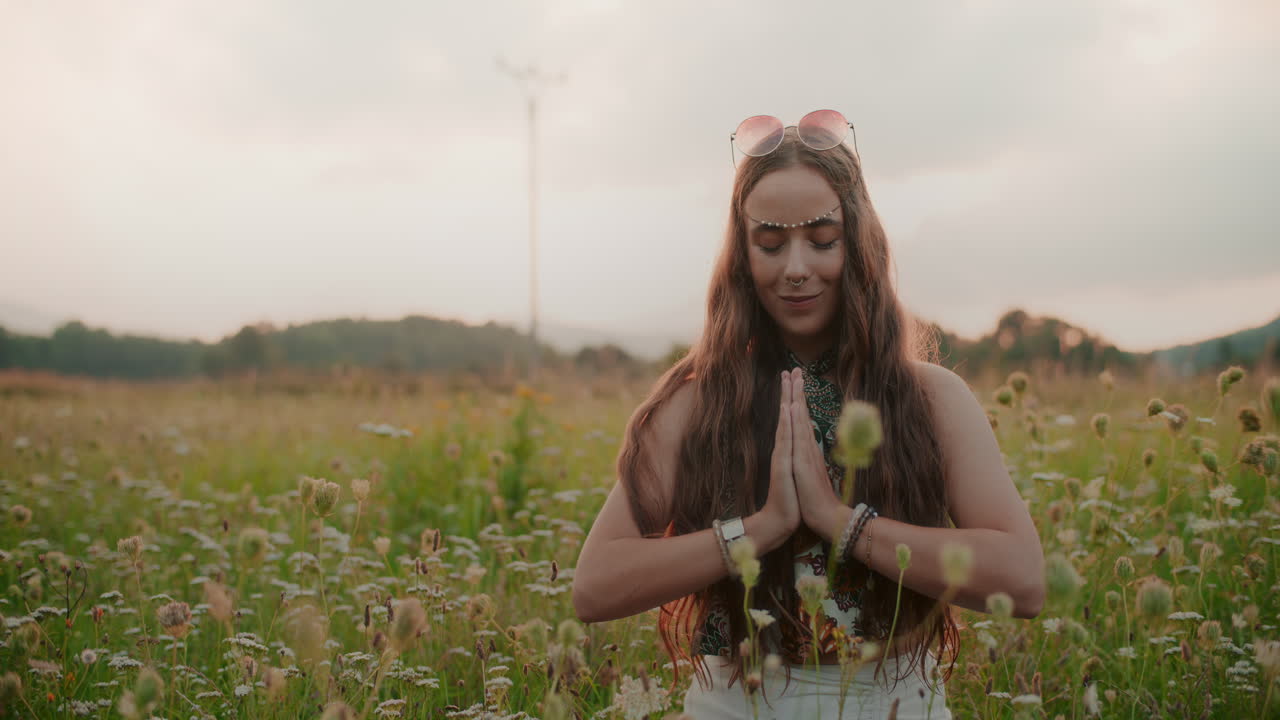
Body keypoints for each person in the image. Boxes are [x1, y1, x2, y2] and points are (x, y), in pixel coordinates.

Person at [571, 110, 1045, 719]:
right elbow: (593, 586)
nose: (796, 267)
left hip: (894, 704)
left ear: (860, 242)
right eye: (769, 243)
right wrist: (760, 530)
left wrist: (840, 521)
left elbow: (1025, 581)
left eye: (822, 241)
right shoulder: (700, 404)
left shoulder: (933, 400)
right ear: (742, 255)